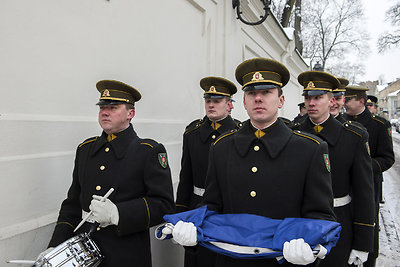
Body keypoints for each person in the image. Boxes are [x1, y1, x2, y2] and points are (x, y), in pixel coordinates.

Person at [171, 58, 336, 267]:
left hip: (283, 260)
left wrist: (311, 250)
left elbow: (321, 215)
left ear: (281, 100)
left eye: (266, 92)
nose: (258, 98)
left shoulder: (310, 149)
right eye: (251, 93)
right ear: (244, 102)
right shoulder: (222, 147)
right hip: (230, 259)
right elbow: (212, 205)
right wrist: (195, 231)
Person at [37, 80, 175, 267]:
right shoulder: (85, 149)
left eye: (113, 107)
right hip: (85, 254)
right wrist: (55, 246)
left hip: (127, 253)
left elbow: (163, 205)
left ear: (130, 114)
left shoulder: (148, 151)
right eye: (102, 107)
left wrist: (118, 214)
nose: (105, 112)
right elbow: (72, 205)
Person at [293, 71, 375, 267]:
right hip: (300, 223)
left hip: (340, 223)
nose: (311, 103)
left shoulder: (353, 136)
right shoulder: (292, 133)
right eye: (307, 97)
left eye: (318, 97)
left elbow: (364, 192)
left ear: (331, 101)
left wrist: (363, 243)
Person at [175, 76, 241, 267]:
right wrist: (180, 213)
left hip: (227, 210)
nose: (211, 105)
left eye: (217, 101)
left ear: (230, 105)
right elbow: (185, 176)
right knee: (197, 258)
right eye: (208, 100)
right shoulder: (192, 133)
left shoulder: (239, 134)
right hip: (197, 206)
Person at [344, 85, 395, 267]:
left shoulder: (379, 125)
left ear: (361, 101)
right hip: (344, 186)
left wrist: (364, 167)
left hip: (368, 187)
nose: (344, 103)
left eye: (348, 100)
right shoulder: (341, 122)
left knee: (367, 227)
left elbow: (388, 158)